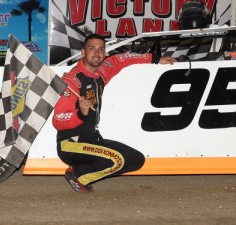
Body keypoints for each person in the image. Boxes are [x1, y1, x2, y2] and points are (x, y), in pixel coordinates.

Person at [52, 33, 177, 193]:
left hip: (92, 140)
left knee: (136, 160)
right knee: (117, 159)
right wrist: (80, 113)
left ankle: (81, 167)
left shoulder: (102, 71)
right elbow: (58, 120)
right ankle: (78, 175)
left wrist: (154, 59)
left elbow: (123, 58)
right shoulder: (71, 81)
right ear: (83, 52)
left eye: (101, 49)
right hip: (70, 144)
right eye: (92, 49)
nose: (97, 53)